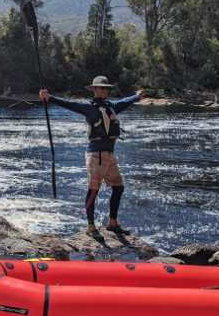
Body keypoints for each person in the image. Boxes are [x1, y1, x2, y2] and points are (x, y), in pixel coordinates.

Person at [39, 76, 144, 236]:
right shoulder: (89, 108)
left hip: (109, 156)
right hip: (95, 155)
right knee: (93, 191)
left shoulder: (112, 106)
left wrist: (136, 96)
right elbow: (69, 104)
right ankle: (90, 227)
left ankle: (112, 222)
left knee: (118, 188)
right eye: (101, 88)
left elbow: (125, 102)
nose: (104, 90)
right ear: (94, 90)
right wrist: (49, 98)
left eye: (106, 88)